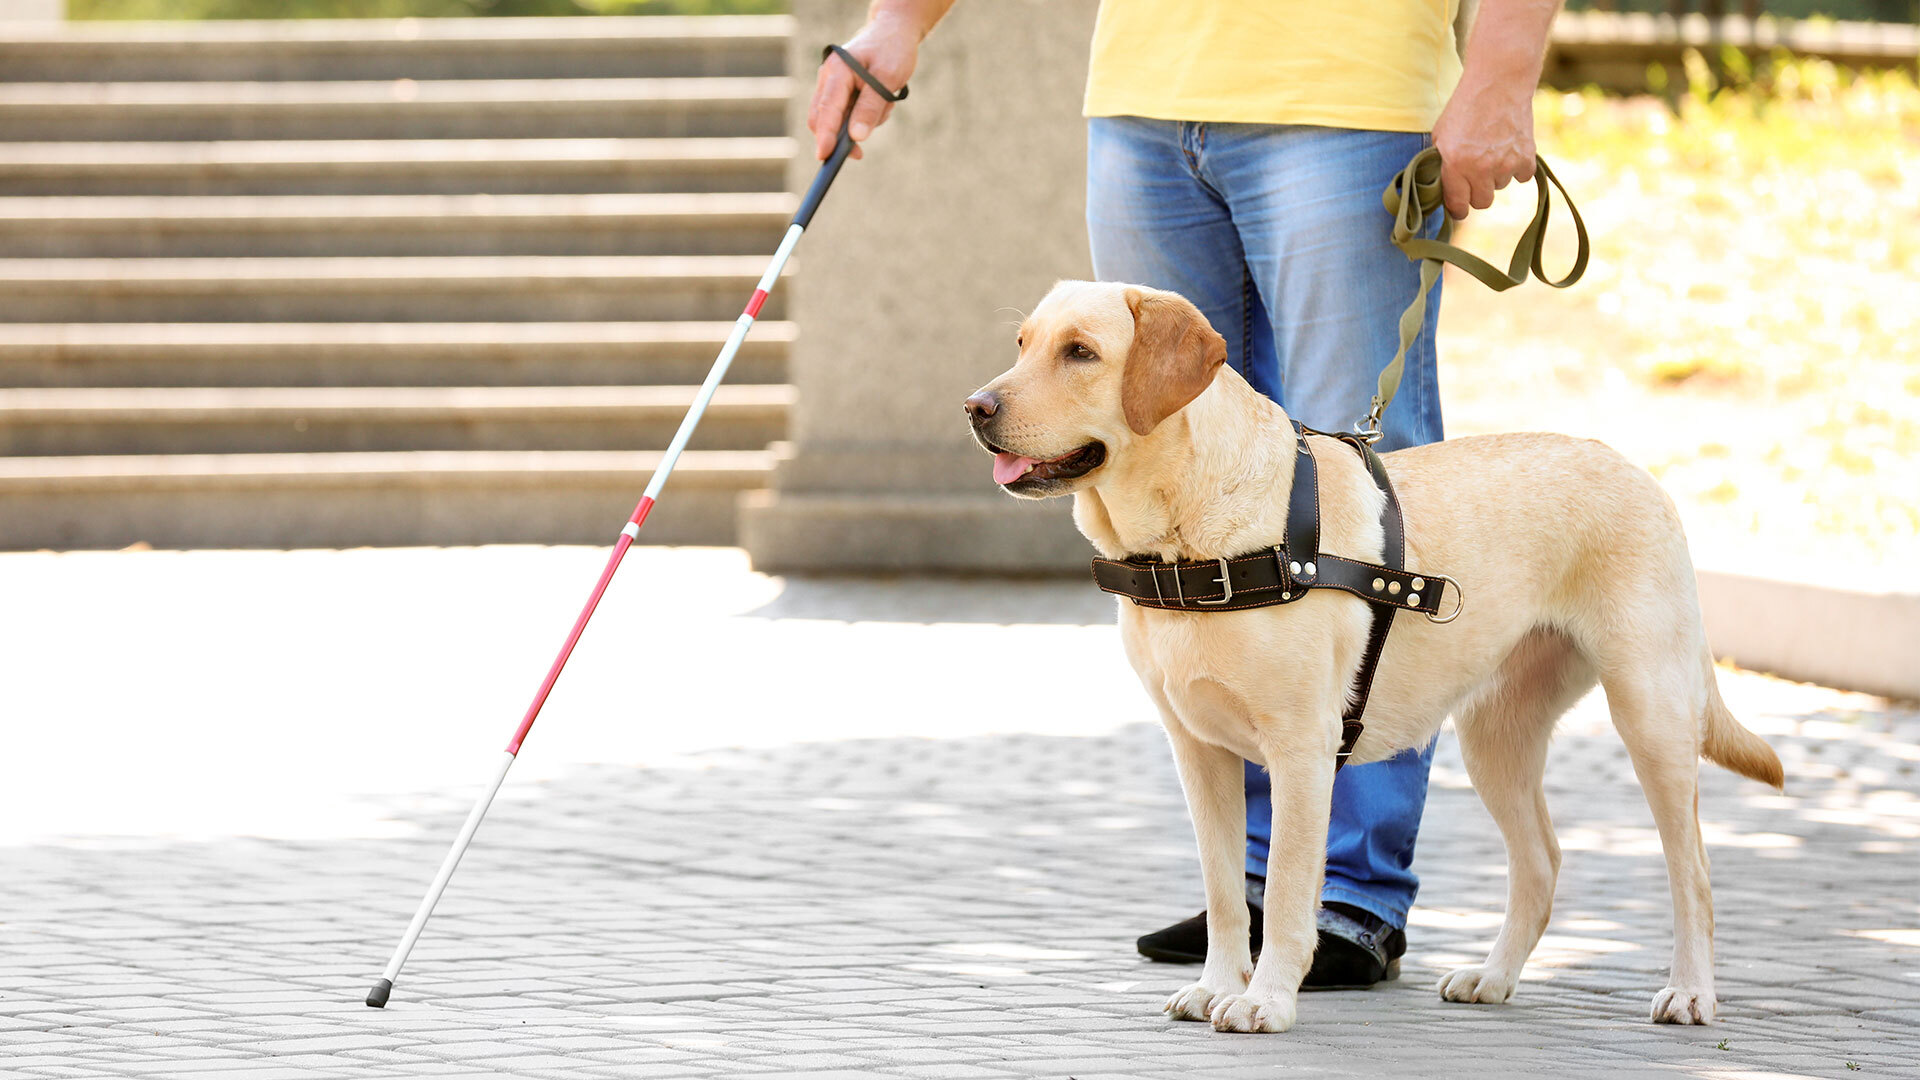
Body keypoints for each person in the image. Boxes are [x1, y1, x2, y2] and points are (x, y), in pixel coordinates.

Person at [809, 0, 1559, 988]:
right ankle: (1257, 892)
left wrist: (1502, 72)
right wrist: (898, 21)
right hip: (1144, 102)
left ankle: (1349, 892)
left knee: (1353, 496)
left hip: (1347, 97)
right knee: (1179, 477)